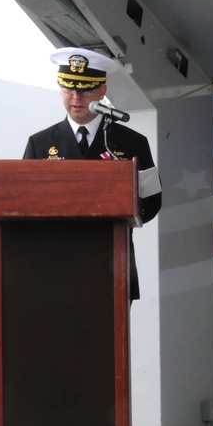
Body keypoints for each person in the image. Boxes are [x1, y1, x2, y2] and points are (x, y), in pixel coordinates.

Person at [23, 47, 162, 301]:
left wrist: (123, 214)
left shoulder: (132, 142)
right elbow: (24, 205)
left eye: (85, 90)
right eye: (68, 89)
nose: (76, 97)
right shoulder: (40, 144)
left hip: (113, 267)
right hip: (56, 270)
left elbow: (152, 201)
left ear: (102, 91)